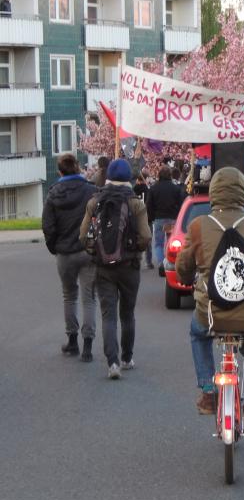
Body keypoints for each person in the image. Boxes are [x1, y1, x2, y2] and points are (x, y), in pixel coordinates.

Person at [176, 167, 244, 437]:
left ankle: (208, 390)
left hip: (210, 312)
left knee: (197, 333)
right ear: (242, 192)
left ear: (213, 192)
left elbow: (182, 269)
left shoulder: (198, 226)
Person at [79, 159, 151, 379]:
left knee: (108, 316)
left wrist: (96, 251)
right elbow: (146, 236)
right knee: (127, 314)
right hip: (129, 266)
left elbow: (83, 236)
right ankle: (127, 357)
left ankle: (112, 363)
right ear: (129, 178)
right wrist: (134, 250)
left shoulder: (95, 202)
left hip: (103, 268)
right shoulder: (136, 203)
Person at [42, 153, 98, 361]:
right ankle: (88, 346)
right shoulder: (91, 191)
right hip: (88, 250)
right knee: (89, 298)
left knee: (69, 296)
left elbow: (47, 225)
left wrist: (54, 247)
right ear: (78, 168)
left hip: (65, 252)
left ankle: (72, 340)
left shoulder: (53, 193)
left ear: (60, 171)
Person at [146, 164, 184, 268]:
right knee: (170, 241)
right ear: (170, 175)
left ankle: (161, 262)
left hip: (159, 218)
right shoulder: (175, 188)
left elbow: (149, 205)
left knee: (158, 243)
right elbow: (181, 203)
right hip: (172, 218)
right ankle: (170, 261)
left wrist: (152, 216)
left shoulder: (154, 188)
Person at [133, 174, 153, 269]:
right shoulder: (148, 189)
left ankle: (136, 259)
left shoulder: (133, 189)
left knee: (135, 238)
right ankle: (149, 261)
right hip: (146, 217)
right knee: (147, 238)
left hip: (135, 217)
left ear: (137, 180)